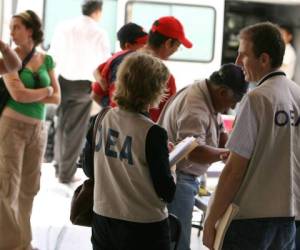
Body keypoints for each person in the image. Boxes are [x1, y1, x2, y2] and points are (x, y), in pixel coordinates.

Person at [203, 22, 300, 250]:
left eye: (243, 55)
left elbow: (234, 171)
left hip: (250, 221)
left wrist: (210, 219)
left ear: (264, 59)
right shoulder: (297, 94)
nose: (237, 63)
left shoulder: (256, 99)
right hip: (289, 219)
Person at [83, 52, 176, 250]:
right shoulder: (153, 133)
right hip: (145, 226)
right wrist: (171, 163)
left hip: (103, 218)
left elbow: (89, 170)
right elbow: (167, 191)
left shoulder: (100, 119)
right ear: (155, 89)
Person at [157, 63, 248, 250]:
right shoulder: (195, 104)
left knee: (177, 238)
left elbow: (221, 134)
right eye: (233, 101)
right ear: (223, 92)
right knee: (178, 243)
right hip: (178, 179)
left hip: (184, 177)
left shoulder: (208, 96)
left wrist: (237, 145)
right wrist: (231, 155)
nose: (231, 106)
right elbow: (194, 151)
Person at [0, 10, 60, 250]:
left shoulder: (46, 59)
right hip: (11, 127)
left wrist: (42, 94)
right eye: (11, 27)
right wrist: (44, 92)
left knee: (29, 187)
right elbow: (18, 94)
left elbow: (57, 97)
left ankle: (24, 241)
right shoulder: (11, 59)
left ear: (30, 31)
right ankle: (10, 244)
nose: (13, 32)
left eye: (17, 27)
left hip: (38, 129)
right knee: (7, 187)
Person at [50, 0, 111, 183]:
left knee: (61, 125)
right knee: (76, 130)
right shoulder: (99, 32)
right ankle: (66, 174)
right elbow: (104, 63)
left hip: (61, 82)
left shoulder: (64, 26)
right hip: (83, 85)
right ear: (98, 11)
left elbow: (54, 55)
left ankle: (59, 166)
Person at [92, 16, 193, 121]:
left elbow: (96, 96)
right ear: (168, 43)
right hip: (145, 135)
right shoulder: (165, 77)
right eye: (177, 46)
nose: (176, 50)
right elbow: (170, 119)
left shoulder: (117, 59)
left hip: (111, 131)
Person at [92, 22, 148, 107]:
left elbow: (95, 95)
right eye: (143, 44)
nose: (146, 47)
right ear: (128, 46)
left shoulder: (113, 59)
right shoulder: (122, 62)